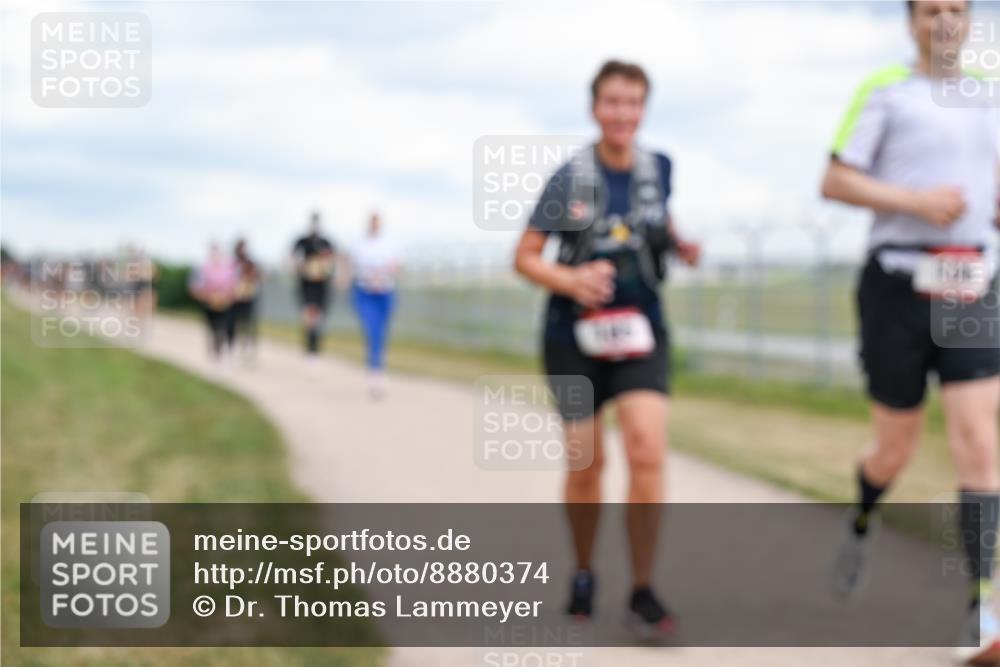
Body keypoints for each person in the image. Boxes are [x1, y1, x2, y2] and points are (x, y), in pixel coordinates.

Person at [821, 1, 999, 662]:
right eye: (932, 10)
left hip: (971, 285)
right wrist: (917, 202)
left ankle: (981, 606)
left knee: (979, 440)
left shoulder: (989, 98)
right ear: (911, 22)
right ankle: (865, 512)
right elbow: (835, 178)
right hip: (897, 287)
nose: (945, 20)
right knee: (893, 449)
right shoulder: (885, 91)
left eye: (958, 8)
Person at [513, 60, 700, 638]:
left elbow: (655, 224)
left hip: (641, 328)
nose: (623, 114)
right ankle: (585, 571)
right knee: (587, 463)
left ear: (644, 108)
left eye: (633, 103)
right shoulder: (569, 177)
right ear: (595, 108)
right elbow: (523, 256)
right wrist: (571, 281)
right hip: (575, 335)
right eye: (612, 102)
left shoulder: (659, 167)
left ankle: (643, 588)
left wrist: (680, 244)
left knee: (646, 449)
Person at [350, 212, 401, 399]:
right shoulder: (359, 244)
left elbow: (398, 267)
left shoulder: (390, 244)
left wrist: (384, 274)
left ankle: (377, 368)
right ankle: (374, 372)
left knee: (381, 331)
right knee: (371, 330)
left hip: (385, 292)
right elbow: (351, 266)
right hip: (365, 292)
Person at [292, 211, 337, 364]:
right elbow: (292, 260)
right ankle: (309, 349)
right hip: (306, 286)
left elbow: (332, 262)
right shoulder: (302, 242)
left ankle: (315, 350)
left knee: (318, 319)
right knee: (308, 318)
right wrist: (302, 267)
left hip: (321, 287)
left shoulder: (326, 242)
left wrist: (326, 267)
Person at [188, 243, 238, 361]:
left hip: (226, 302)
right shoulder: (204, 268)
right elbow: (196, 286)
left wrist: (226, 295)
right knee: (213, 326)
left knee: (224, 325)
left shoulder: (229, 268)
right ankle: (217, 348)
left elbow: (234, 285)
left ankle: (224, 348)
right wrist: (205, 294)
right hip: (209, 302)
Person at [232, 238, 260, 364]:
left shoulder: (251, 263)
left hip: (248, 297)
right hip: (235, 298)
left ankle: (249, 347)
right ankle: (237, 347)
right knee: (237, 324)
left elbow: (258, 276)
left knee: (249, 323)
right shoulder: (233, 263)